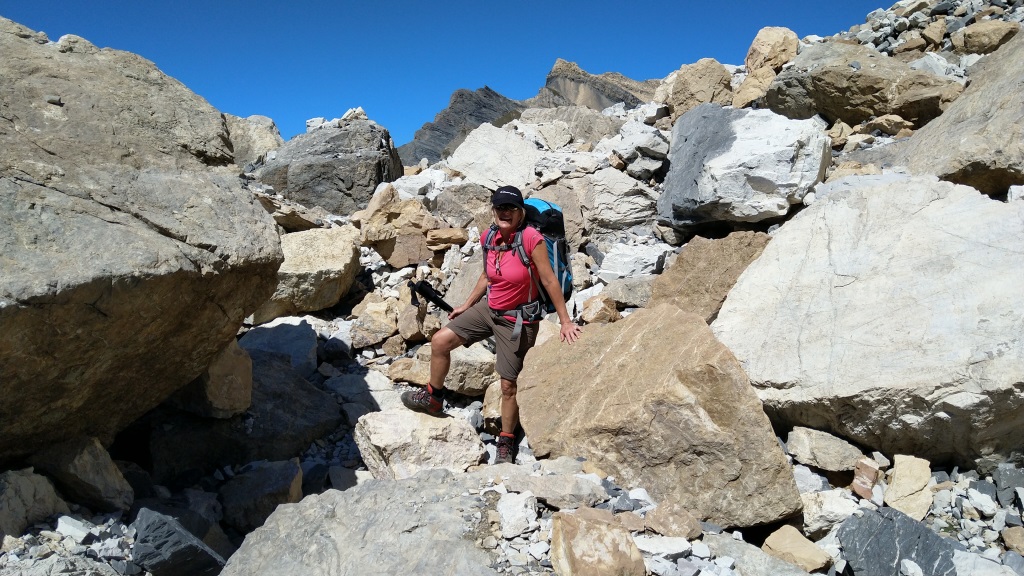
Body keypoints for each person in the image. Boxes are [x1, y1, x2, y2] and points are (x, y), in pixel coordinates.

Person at [401, 185, 582, 464]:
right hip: (489, 309)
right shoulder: (489, 236)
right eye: (500, 208)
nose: (504, 213)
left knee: (508, 384)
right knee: (440, 341)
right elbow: (487, 276)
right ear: (493, 210)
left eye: (511, 208)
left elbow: (548, 280)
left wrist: (565, 322)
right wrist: (467, 304)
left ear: (521, 212)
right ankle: (433, 397)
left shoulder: (531, 238)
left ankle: (506, 440)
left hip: (517, 318)